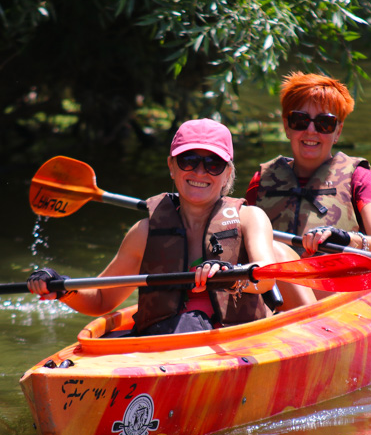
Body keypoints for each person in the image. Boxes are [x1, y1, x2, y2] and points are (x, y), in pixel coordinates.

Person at [28, 119, 279, 336]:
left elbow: (266, 277)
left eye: (214, 164)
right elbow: (102, 299)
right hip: (165, 340)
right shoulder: (144, 232)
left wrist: (232, 276)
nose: (200, 172)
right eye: (188, 160)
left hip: (236, 340)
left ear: (227, 174)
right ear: (171, 167)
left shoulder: (250, 218)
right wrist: (62, 287)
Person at [245, 72, 371, 303]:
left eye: (324, 123)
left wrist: (347, 239)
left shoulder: (358, 177)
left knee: (277, 252)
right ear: (286, 126)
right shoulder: (262, 179)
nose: (311, 131)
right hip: (274, 295)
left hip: (337, 294)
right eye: (300, 121)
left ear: (338, 131)